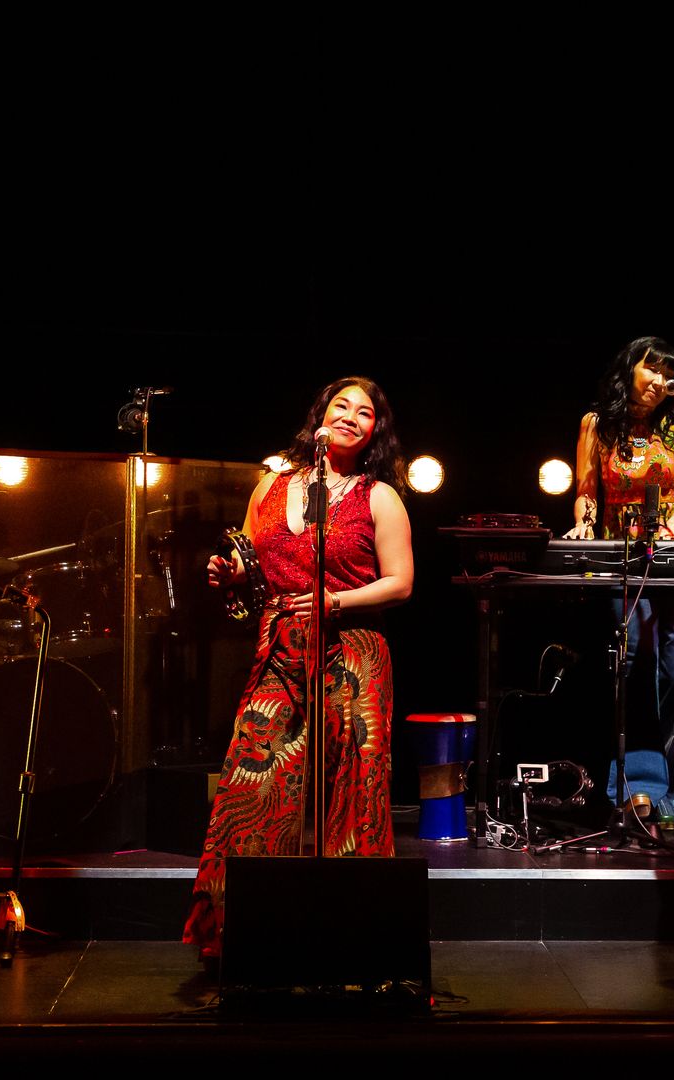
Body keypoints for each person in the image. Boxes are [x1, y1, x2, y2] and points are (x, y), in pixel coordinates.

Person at [184, 376, 415, 961]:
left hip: (353, 649)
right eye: (342, 406)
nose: (351, 417)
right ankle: (240, 932)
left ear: (374, 434)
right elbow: (254, 565)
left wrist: (335, 600)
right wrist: (234, 576)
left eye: (366, 414)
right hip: (278, 647)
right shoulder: (270, 485)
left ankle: (357, 939)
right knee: (252, 783)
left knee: (354, 792)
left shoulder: (378, 496)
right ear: (320, 415)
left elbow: (401, 583)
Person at [563, 336, 674, 823]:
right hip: (619, 551)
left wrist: (672, 528)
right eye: (652, 366)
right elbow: (587, 489)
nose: (659, 379)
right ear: (630, 368)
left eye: (667, 370)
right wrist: (584, 522)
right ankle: (625, 787)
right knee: (626, 666)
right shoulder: (596, 424)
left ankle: (667, 793)